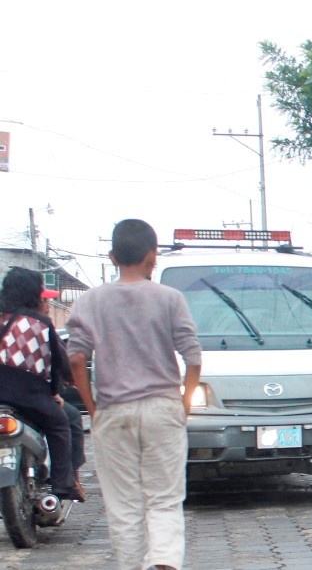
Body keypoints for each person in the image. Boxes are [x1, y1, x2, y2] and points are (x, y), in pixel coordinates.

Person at [66, 219, 202, 570]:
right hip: (162, 408)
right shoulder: (170, 299)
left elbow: (77, 358)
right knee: (165, 499)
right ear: (152, 256)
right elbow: (193, 359)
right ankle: (164, 562)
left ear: (112, 257)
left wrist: (94, 409)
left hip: (113, 411)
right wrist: (183, 403)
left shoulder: (90, 302)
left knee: (124, 506)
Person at [0, 267, 85, 502]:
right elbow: (61, 365)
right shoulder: (40, 324)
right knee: (59, 426)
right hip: (31, 399)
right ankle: (62, 485)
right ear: (33, 294)